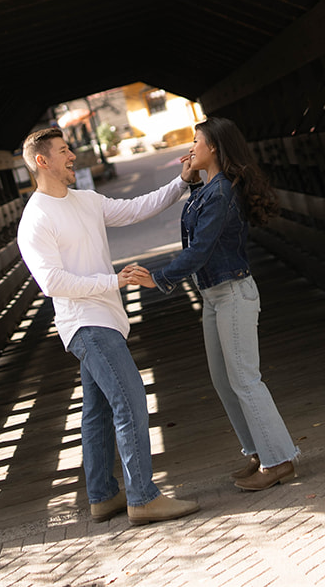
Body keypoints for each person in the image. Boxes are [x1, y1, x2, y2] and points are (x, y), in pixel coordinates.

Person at [17, 126, 201, 526]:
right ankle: (143, 497)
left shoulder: (85, 200)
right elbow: (52, 283)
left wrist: (181, 182)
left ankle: (103, 496)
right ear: (41, 161)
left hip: (105, 318)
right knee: (131, 398)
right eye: (64, 151)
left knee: (97, 410)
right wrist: (112, 281)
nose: (73, 157)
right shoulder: (35, 219)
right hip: (85, 323)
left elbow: (136, 208)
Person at [119, 117, 298, 492]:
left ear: (213, 147)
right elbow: (198, 231)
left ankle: (278, 460)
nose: (191, 147)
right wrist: (191, 178)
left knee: (245, 380)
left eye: (196, 141)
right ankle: (258, 452)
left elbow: (200, 249)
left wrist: (159, 278)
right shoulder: (208, 190)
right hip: (215, 296)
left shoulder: (221, 194)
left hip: (233, 293)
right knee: (223, 380)